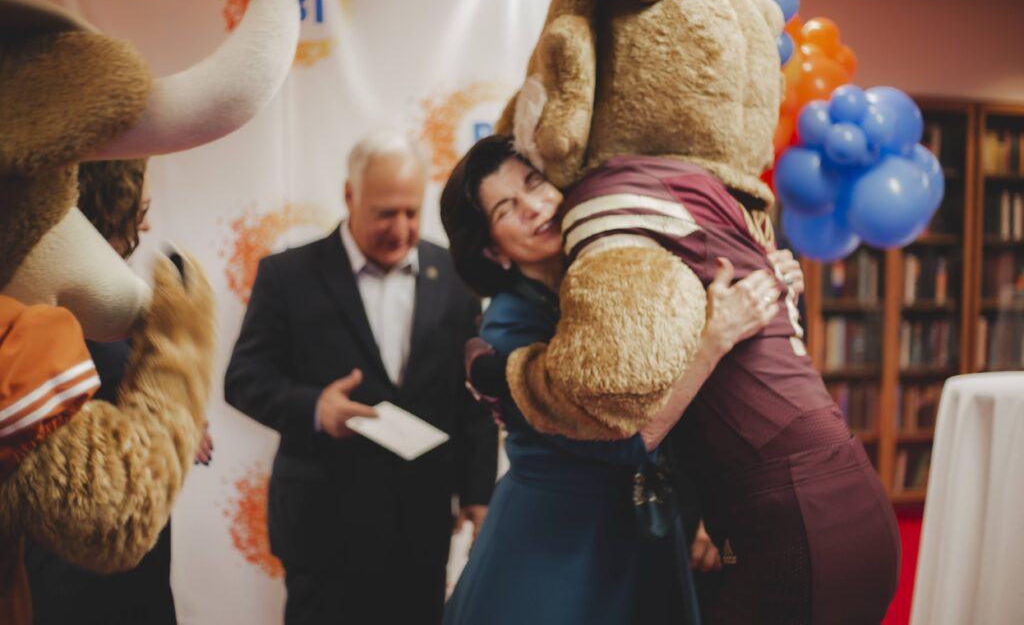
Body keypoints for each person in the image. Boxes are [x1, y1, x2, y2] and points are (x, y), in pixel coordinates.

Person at [439, 135, 788, 624]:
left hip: (641, 530)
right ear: (493, 251)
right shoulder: (507, 328)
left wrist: (771, 280)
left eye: (536, 183)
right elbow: (621, 437)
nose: (535, 207)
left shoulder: (610, 274)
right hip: (554, 552)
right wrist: (714, 338)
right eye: (506, 208)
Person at [224, 131, 498, 625]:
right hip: (323, 531)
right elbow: (243, 377)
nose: (400, 228)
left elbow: (473, 400)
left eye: (411, 213)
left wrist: (478, 495)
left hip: (421, 527)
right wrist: (312, 407)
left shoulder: (456, 276)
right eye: (385, 213)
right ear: (350, 196)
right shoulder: (287, 275)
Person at [23, 158, 212, 625]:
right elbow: (106, 491)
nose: (146, 222)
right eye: (138, 208)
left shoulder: (86, 295)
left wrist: (174, 421)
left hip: (121, 579)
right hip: (79, 580)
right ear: (106, 207)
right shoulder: (55, 309)